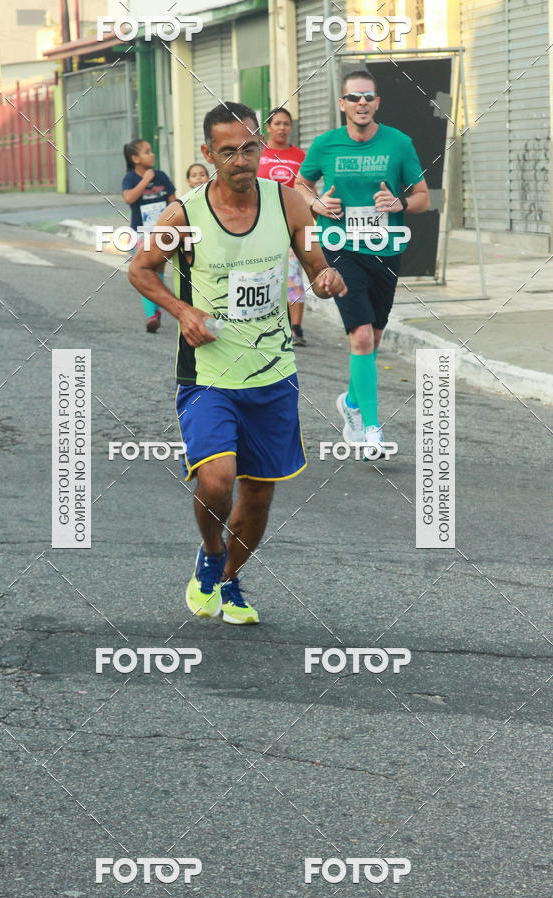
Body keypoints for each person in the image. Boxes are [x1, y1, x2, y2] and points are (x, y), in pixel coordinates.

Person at [129, 101, 345, 625]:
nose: (242, 159)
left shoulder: (290, 203)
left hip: (273, 372)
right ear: (209, 153)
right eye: (229, 151)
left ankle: (230, 582)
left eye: (251, 147)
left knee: (259, 495)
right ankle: (210, 557)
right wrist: (182, 311)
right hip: (209, 374)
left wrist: (326, 279)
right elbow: (140, 269)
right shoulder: (184, 215)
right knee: (217, 480)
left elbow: (316, 262)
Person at [295, 70, 430, 458]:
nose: (361, 104)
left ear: (377, 103)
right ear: (343, 105)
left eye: (368, 97)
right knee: (362, 337)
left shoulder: (398, 143)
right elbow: (301, 186)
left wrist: (400, 203)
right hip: (340, 247)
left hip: (386, 249)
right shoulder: (325, 145)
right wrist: (316, 203)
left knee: (374, 339)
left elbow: (422, 196)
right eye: (353, 98)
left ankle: (352, 404)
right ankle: (371, 429)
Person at [258, 107, 308, 346]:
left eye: (286, 123)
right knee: (263, 274)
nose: (282, 128)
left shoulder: (300, 156)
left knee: (294, 276)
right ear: (268, 127)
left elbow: (308, 188)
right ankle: (268, 322)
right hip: (260, 225)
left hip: (292, 224)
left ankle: (296, 328)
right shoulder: (258, 154)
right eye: (277, 123)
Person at [122, 139, 176, 333]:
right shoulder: (130, 179)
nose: (152, 154)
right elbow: (128, 198)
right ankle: (151, 315)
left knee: (158, 272)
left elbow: (173, 202)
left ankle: (155, 308)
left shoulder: (161, 176)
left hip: (162, 232)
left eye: (151, 151)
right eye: (146, 152)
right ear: (135, 158)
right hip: (140, 232)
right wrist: (145, 180)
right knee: (145, 271)